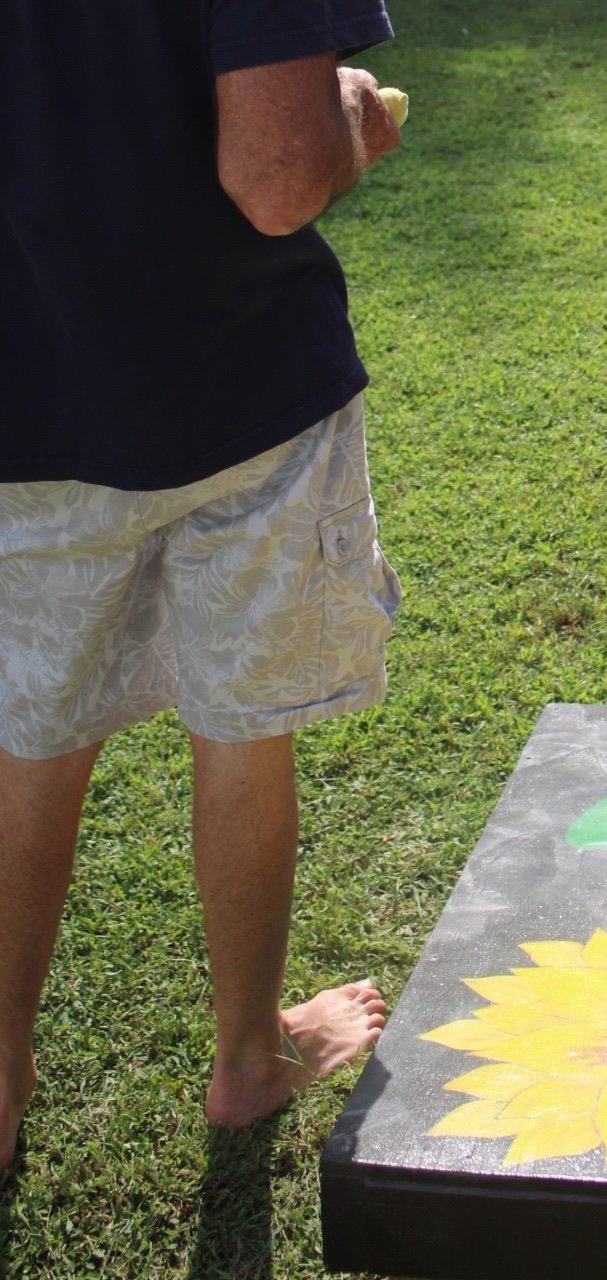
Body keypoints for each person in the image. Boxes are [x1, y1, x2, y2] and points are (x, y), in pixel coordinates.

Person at [0, 0, 406, 1173]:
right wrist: (351, 115)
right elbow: (276, 177)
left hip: (19, 403)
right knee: (242, 723)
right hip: (239, 389)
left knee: (26, 739)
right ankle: (248, 1055)